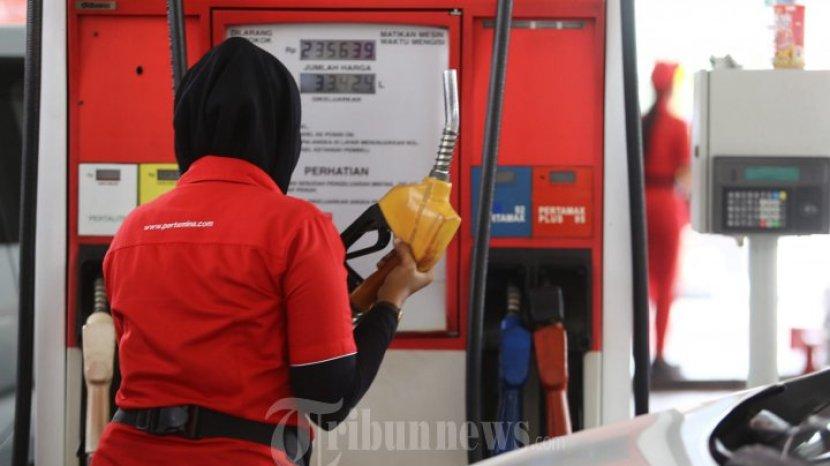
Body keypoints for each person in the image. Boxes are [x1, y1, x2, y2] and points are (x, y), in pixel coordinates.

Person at [92, 37, 433, 466]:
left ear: (187, 125)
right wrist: (391, 300)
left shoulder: (133, 229)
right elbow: (326, 398)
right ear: (283, 129)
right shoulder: (298, 227)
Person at [642, 61, 691, 382]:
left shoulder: (640, 123)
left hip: (640, 205)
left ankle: (638, 351)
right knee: (665, 284)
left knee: (642, 283)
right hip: (664, 205)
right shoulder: (676, 125)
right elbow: (685, 174)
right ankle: (658, 355)